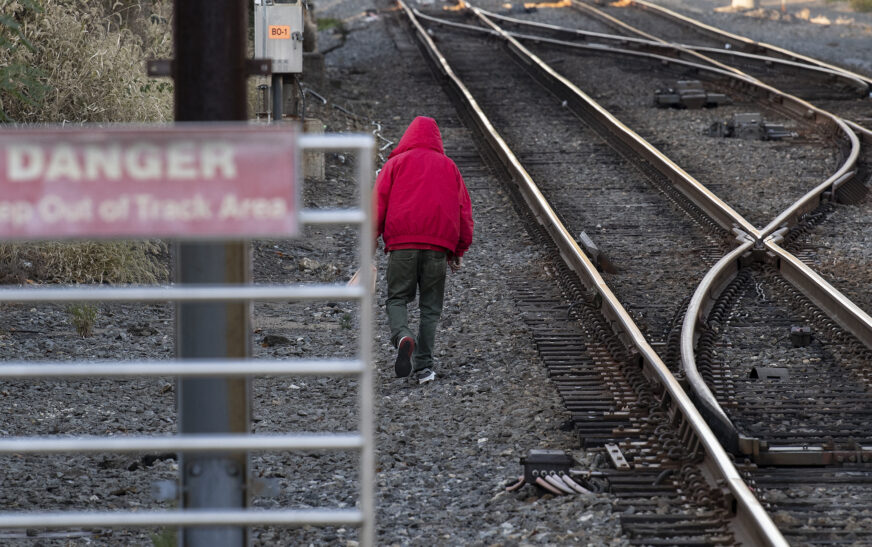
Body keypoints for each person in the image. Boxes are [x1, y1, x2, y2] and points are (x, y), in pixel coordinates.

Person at [374, 116, 474, 384]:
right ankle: (424, 367)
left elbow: (377, 204)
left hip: (401, 246)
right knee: (431, 307)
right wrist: (459, 250)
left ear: (408, 137)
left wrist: (371, 238)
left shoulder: (395, 164)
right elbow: (464, 210)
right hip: (438, 249)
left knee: (396, 299)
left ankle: (403, 336)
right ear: (436, 140)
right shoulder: (449, 167)